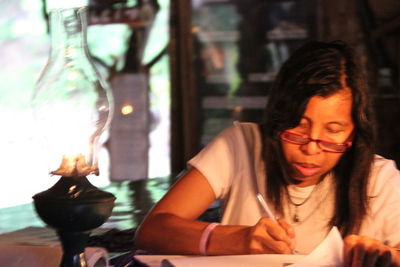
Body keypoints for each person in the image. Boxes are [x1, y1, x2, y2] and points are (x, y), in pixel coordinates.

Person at [134, 40, 400, 266]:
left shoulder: (380, 179)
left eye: (333, 130)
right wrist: (240, 239)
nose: (310, 147)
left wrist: (385, 256)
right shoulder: (240, 146)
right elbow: (153, 230)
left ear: (353, 132)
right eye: (299, 125)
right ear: (279, 115)